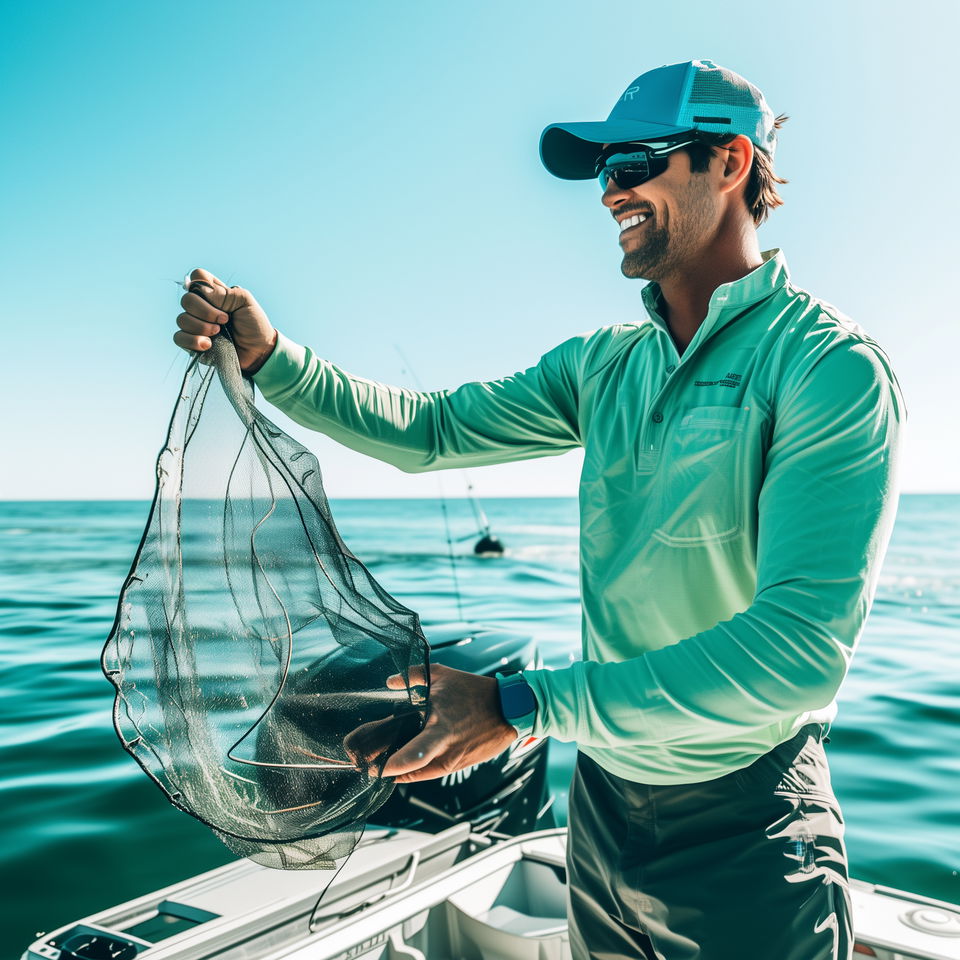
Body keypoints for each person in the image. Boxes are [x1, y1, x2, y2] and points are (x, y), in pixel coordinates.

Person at [174, 59, 903, 960]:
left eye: (638, 163)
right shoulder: (603, 365)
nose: (612, 192)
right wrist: (276, 358)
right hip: (601, 802)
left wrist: (520, 704)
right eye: (604, 172)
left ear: (732, 162)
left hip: (745, 821)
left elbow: (795, 657)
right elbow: (430, 431)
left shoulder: (828, 368)